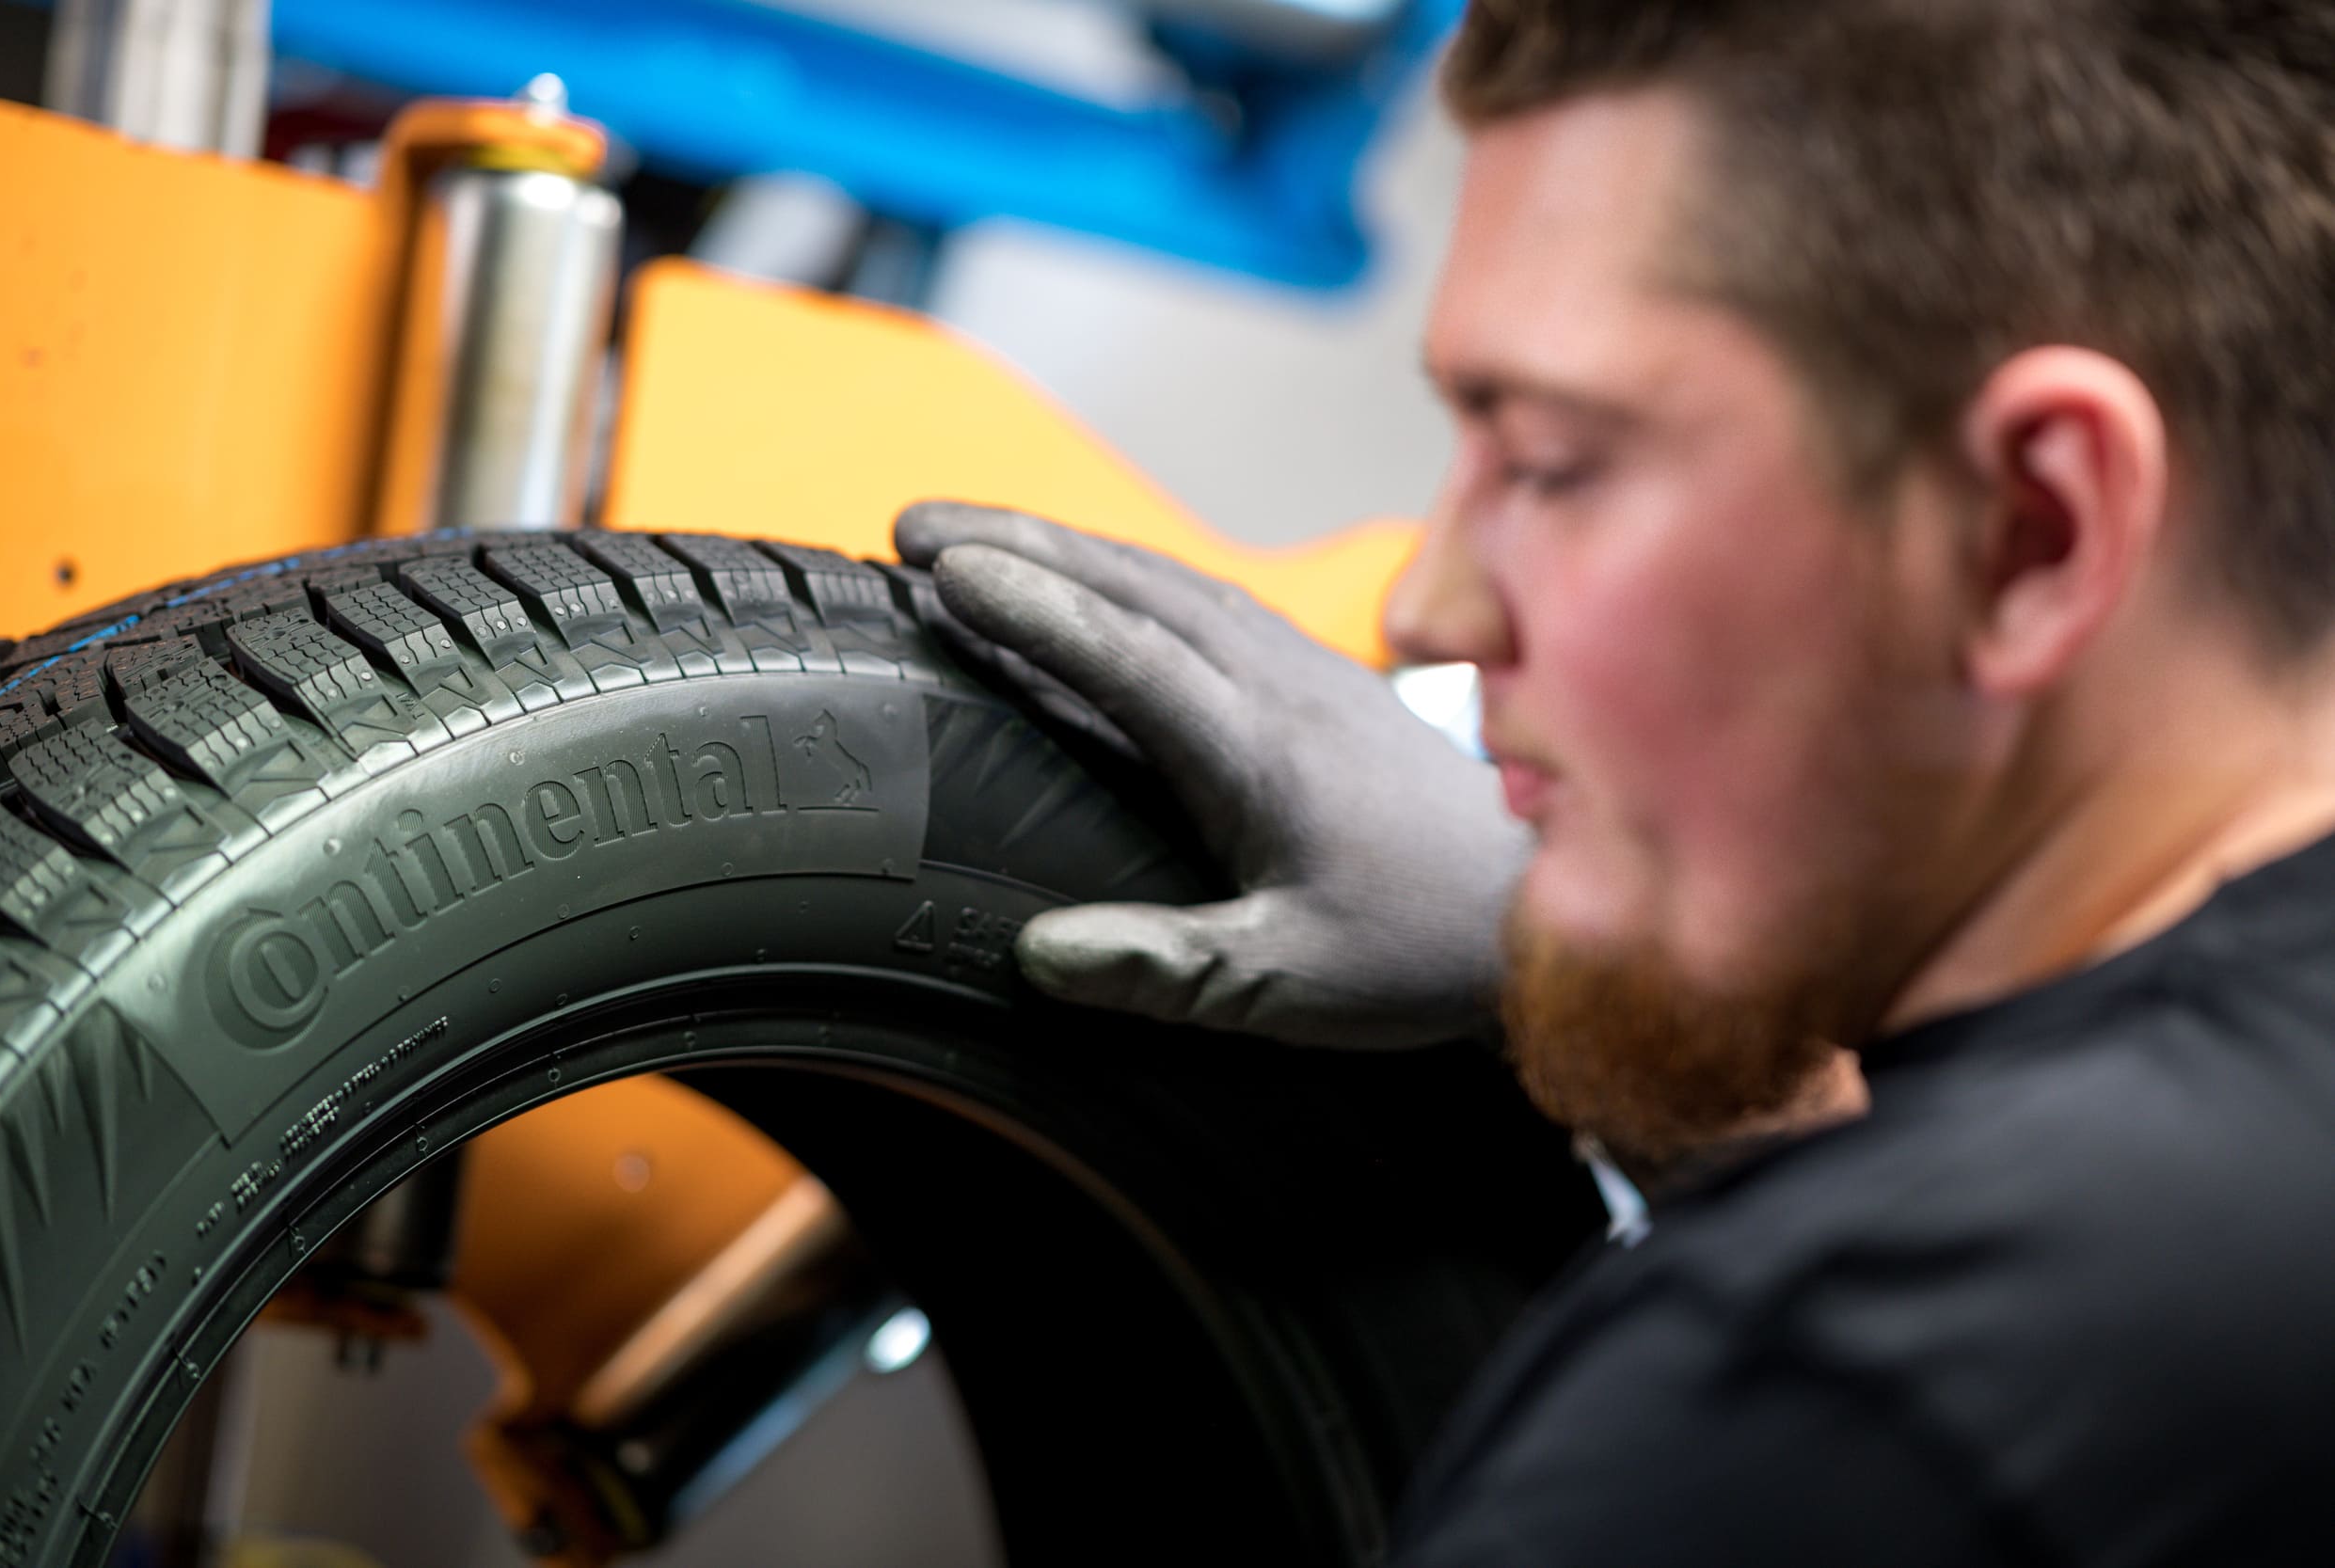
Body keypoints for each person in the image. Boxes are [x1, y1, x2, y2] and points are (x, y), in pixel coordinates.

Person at [895, 1, 2335, 1561]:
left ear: (2032, 532)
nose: (1426, 608)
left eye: (1554, 464)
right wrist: (1615, 994)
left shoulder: (1840, 1399)